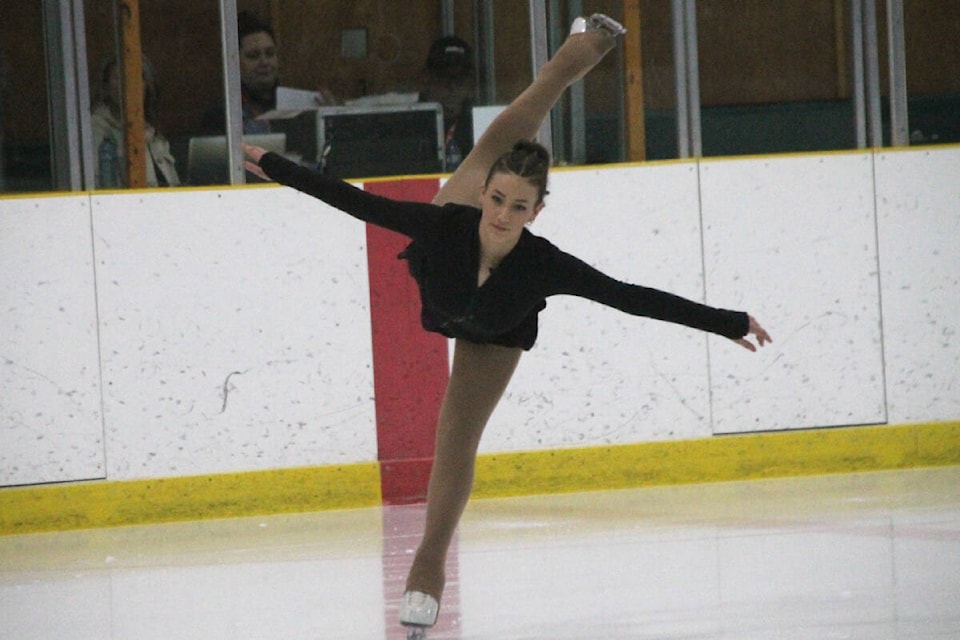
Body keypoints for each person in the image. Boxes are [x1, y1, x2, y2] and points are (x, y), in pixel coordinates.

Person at [244, 14, 771, 634]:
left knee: (454, 443)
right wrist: (274, 166)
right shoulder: (451, 223)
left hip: (495, 331)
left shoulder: (544, 265)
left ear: (537, 212)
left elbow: (631, 297)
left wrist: (727, 322)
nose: (501, 215)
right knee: (506, 133)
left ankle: (427, 568)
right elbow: (355, 201)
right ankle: (572, 58)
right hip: (448, 281)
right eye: (496, 200)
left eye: (519, 207)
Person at [203, 12, 338, 135]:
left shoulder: (299, 103)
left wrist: (333, 118)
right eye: (253, 56)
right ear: (234, 63)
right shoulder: (221, 115)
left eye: (270, 53)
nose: (264, 62)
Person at [91, 55, 180, 188]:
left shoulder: (153, 132)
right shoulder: (96, 129)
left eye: (139, 76)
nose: (129, 83)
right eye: (118, 77)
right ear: (105, 86)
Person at [419, 35, 476, 171]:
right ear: (427, 80)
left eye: (459, 80)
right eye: (444, 78)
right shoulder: (411, 126)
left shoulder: (479, 126)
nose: (452, 88)